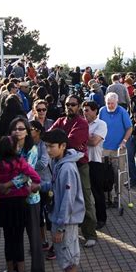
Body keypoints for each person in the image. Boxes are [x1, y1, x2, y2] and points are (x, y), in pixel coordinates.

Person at [0, 136, 41, 272]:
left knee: (8, 240)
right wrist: (27, 188)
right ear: (13, 149)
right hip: (20, 205)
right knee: (19, 240)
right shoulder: (20, 162)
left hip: (5, 205)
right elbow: (35, 176)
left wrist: (1, 195)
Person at [50, 95, 98, 248]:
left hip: (79, 166)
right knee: (61, 196)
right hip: (61, 165)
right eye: (67, 104)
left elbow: (72, 142)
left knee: (84, 197)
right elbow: (51, 136)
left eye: (73, 104)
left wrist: (59, 140)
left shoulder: (82, 123)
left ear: (78, 106)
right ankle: (69, 229)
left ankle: (90, 233)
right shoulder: (61, 120)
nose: (69, 106)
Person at [41, 129, 85, 272]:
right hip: (60, 218)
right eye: (46, 146)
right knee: (64, 255)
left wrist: (60, 228)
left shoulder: (67, 169)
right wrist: (40, 186)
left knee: (69, 257)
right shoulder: (58, 162)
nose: (48, 150)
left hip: (66, 222)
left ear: (63, 146)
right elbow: (55, 186)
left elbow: (67, 201)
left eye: (51, 146)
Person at [98, 92, 133, 203]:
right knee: (104, 174)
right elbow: (98, 125)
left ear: (117, 102)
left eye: (112, 103)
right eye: (108, 103)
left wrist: (124, 141)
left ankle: (118, 196)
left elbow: (129, 128)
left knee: (118, 173)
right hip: (104, 147)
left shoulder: (122, 112)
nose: (110, 106)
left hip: (118, 148)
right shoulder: (102, 110)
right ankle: (106, 196)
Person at [82, 101, 108, 230]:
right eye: (84, 110)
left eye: (87, 110)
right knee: (83, 192)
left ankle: (101, 219)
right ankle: (85, 218)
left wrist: (82, 136)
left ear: (94, 111)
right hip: (82, 161)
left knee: (97, 192)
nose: (84, 113)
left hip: (95, 162)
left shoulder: (101, 124)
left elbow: (94, 142)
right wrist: (88, 136)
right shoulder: (82, 123)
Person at [29, 121, 52, 254]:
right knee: (38, 217)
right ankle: (43, 242)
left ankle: (55, 246)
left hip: (46, 183)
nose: (27, 131)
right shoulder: (29, 145)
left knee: (49, 215)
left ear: (38, 130)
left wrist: (28, 167)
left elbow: (43, 163)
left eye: (30, 129)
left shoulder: (43, 145)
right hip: (34, 185)